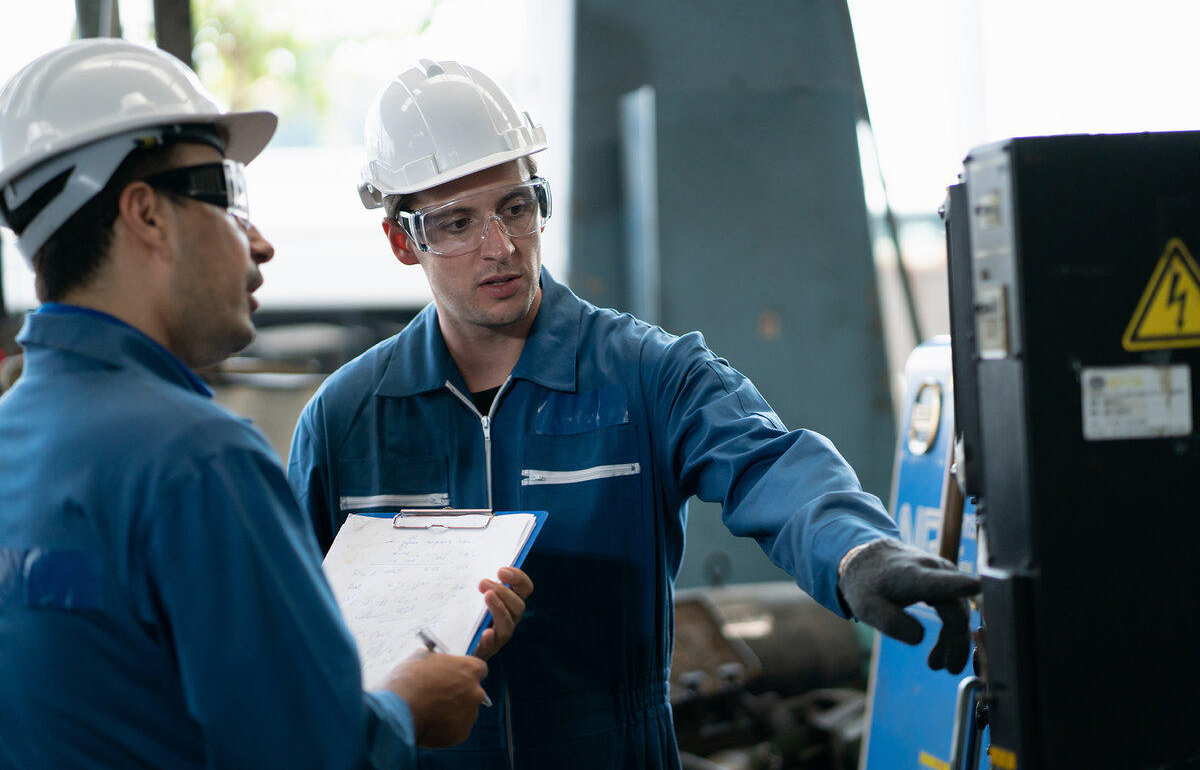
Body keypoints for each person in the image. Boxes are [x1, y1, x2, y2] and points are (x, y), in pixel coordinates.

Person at [288, 58, 981, 770]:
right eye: (457, 223)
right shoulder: (345, 421)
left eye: (517, 207)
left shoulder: (646, 374)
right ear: (405, 241)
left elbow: (769, 464)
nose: (499, 247)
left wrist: (856, 550)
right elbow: (282, 632)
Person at [0, 39, 532, 769]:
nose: (261, 244)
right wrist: (408, 710)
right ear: (147, 215)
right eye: (231, 195)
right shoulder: (196, 461)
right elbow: (303, 752)